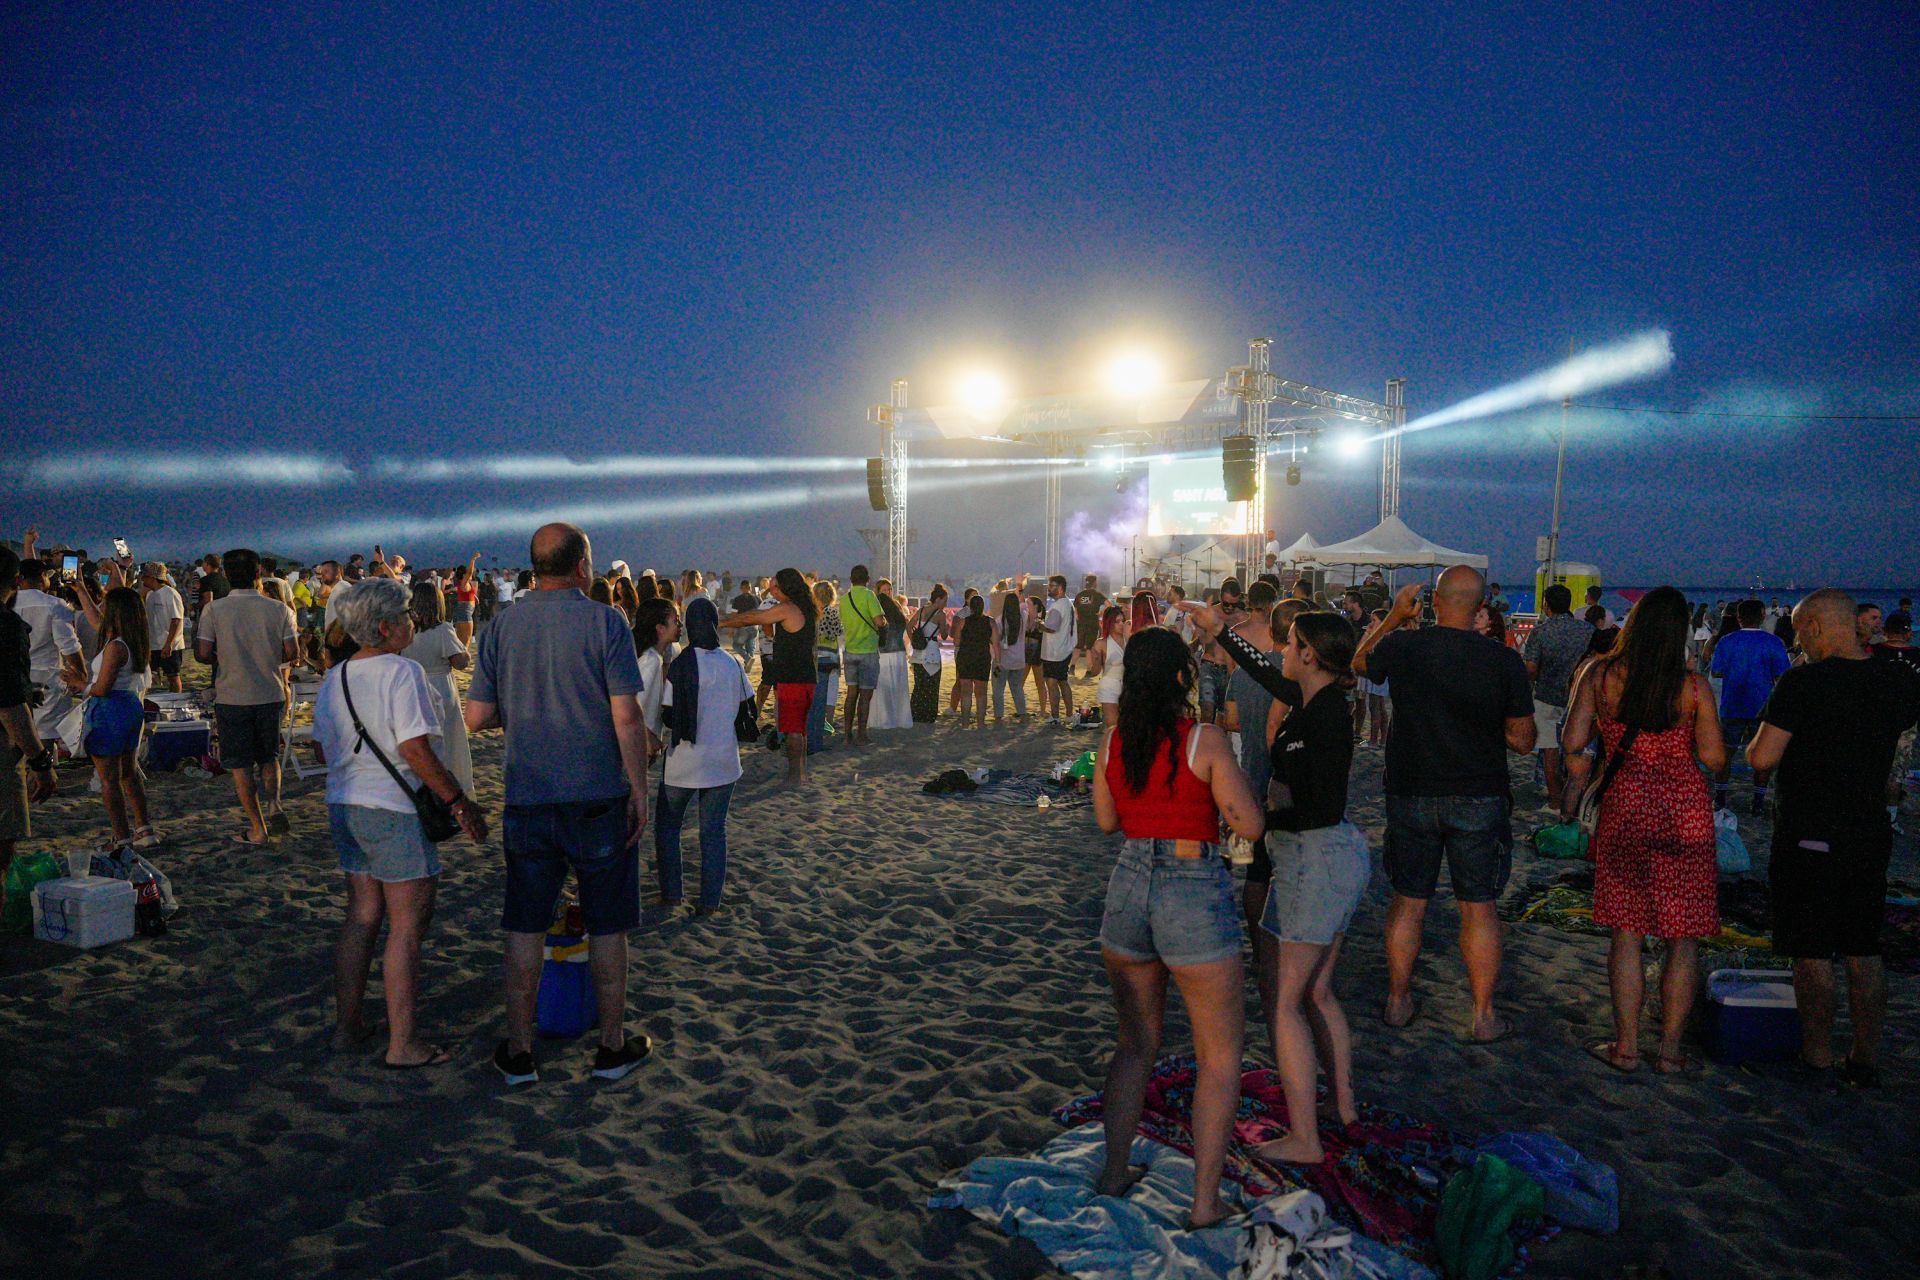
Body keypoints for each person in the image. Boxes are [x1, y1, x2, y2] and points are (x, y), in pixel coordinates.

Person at [466, 523, 652, 1086]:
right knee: (606, 926)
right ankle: (612, 1048)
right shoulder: (605, 621)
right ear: (582, 567)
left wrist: (518, 711)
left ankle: (519, 1051)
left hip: (529, 795)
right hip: (598, 794)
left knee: (524, 927)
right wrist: (639, 788)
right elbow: (626, 716)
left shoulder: (501, 626)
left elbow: (475, 717)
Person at [1090, 627, 1263, 1229]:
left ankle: (1114, 1172)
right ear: (1182, 678)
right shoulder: (1204, 739)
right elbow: (1250, 822)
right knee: (1219, 1057)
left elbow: (1108, 821)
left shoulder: (1114, 742)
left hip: (1130, 882)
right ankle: (1203, 1202)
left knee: (1136, 1042)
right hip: (1191, 884)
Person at [1746, 590, 1920, 1088]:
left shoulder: (1803, 682)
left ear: (1818, 627)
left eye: (1800, 631)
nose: (1798, 639)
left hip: (1810, 830)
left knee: (1813, 949)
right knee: (1864, 947)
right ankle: (1864, 1057)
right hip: (1869, 829)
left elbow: (1762, 759)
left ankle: (1817, 1056)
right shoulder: (1895, 681)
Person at [1353, 569, 1535, 1042]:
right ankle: (1483, 1013)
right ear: (1480, 607)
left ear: (1434, 601)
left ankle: (1398, 1001)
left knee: (1409, 901)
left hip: (1412, 789)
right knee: (1478, 907)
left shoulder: (1405, 646)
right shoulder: (1502, 661)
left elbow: (1358, 663)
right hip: (1479, 792)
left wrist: (1393, 617)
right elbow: (1521, 740)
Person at [316, 577, 487, 1069]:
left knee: (362, 916)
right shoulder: (402, 672)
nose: (414, 621)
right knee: (408, 926)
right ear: (386, 626)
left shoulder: (338, 676)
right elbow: (414, 749)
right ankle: (402, 1043)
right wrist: (458, 802)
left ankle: (348, 1028)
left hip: (344, 804)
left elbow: (325, 746)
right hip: (389, 807)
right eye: (408, 615)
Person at [1560, 587, 1726, 1074]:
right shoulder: (1693, 687)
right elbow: (1715, 758)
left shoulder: (1600, 674)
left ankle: (1627, 1047)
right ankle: (1671, 1053)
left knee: (1627, 934)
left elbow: (1573, 740)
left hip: (1626, 804)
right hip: (1684, 811)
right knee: (1683, 937)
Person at [1244, 611, 1366, 1164]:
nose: (1283, 651)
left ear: (1310, 654)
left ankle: (1305, 1139)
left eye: (1290, 644)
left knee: (1288, 1004)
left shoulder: (1327, 716)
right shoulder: (1313, 699)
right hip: (1316, 860)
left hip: (1316, 860)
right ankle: (1342, 1109)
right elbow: (1268, 676)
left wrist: (1259, 821)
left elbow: (1321, 808)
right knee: (1316, 993)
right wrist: (1219, 632)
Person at [654, 598, 754, 916]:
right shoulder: (732, 663)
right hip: (723, 760)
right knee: (713, 830)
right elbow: (746, 708)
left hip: (684, 761)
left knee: (669, 826)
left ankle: (672, 894)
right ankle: (710, 902)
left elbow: (669, 716)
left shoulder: (682, 665)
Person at [197, 549, 298, 845]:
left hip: (233, 695)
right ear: (259, 574)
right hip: (270, 691)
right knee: (269, 756)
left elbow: (202, 654)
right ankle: (275, 804)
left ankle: (258, 829)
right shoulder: (279, 610)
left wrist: (226, 652)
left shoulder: (214, 610)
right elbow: (293, 654)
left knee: (241, 767)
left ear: (226, 575)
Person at [58, 587, 155, 852]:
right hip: (130, 707)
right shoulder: (134, 641)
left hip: (110, 711)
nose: (101, 609)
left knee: (109, 779)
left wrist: (78, 682)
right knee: (129, 772)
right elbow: (95, 620)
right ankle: (144, 828)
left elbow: (102, 689)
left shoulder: (115, 647)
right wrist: (80, 590)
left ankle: (121, 837)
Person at [717, 567, 817, 787]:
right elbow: (769, 628)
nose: (771, 591)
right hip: (806, 675)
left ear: (786, 587)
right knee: (799, 728)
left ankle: (794, 776)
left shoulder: (789, 608)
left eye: (775, 587)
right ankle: (801, 774)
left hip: (793, 677)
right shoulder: (806, 606)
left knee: (792, 730)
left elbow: (753, 618)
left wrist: (723, 622)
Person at [1708, 599, 1792, 814]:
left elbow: (1716, 671)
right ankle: (1757, 803)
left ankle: (1720, 800)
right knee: (1762, 758)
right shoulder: (1773, 642)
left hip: (1732, 704)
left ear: (1738, 618)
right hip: (1762, 707)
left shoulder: (1727, 641)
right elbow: (1783, 675)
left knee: (1725, 754)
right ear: (1763, 615)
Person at [400, 581, 475, 795]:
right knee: (449, 742)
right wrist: (465, 652)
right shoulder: (442, 630)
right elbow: (459, 662)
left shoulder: (406, 630)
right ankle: (453, 790)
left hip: (413, 687)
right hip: (440, 687)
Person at [1523, 584, 1594, 810]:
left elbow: (1531, 669)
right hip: (1579, 698)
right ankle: (1575, 798)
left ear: (1546, 605)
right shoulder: (1587, 630)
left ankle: (1555, 798)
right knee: (1577, 749)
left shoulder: (1540, 632)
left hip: (1547, 696)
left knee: (1549, 750)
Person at [13, 554, 85, 756]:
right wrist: (81, 673)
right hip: (48, 678)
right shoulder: (54, 604)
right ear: (43, 576)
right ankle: (42, 774)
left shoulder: (8, 603)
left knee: (17, 730)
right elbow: (69, 645)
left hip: (14, 677)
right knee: (44, 734)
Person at [1871, 612, 1918, 832]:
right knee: (1896, 771)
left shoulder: (1872, 653)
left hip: (1873, 720)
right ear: (1908, 633)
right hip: (1906, 723)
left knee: (1871, 766)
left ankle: (1869, 812)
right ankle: (1890, 817)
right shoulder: (1918, 655)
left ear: (1885, 631)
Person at [838, 565, 884, 746]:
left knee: (851, 694)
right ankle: (862, 735)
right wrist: (884, 621)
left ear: (851, 579)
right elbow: (879, 621)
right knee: (865, 696)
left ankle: (847, 735)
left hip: (850, 650)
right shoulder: (869, 595)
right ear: (868, 579)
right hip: (868, 651)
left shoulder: (844, 599)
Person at [633, 597, 680, 762]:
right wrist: (648, 736)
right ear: (660, 628)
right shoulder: (650, 660)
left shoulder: (653, 657)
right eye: (675, 621)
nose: (680, 625)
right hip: (637, 743)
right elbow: (632, 704)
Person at [805, 580, 843, 755]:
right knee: (820, 703)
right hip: (827, 659)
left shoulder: (810, 612)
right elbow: (838, 632)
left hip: (812, 658)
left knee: (812, 702)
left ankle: (811, 740)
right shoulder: (831, 612)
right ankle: (815, 743)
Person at [870, 580, 913, 730]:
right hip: (886, 652)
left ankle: (893, 718)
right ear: (878, 591)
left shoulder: (896, 606)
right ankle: (887, 719)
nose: (888, 592)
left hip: (895, 651)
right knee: (886, 687)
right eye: (884, 590)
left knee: (894, 688)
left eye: (890, 589)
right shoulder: (879, 605)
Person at [138, 562, 186, 694]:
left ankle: (176, 700)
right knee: (148, 676)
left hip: (170, 644)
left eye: (145, 576)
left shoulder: (170, 593)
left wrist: (169, 644)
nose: (142, 579)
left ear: (153, 578)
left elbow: (176, 620)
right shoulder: (149, 594)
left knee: (173, 676)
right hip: (153, 644)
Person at [1037, 575, 1075, 723]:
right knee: (1063, 681)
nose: (1049, 588)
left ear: (1059, 588)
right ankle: (1069, 714)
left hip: (1055, 651)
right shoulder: (1068, 604)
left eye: (1052, 586)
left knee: (1052, 682)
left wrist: (1040, 624)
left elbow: (1051, 628)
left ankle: (1055, 716)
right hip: (1065, 648)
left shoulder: (1058, 606)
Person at [908, 585, 948, 723]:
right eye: (944, 601)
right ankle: (928, 714)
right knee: (932, 684)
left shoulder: (921, 610)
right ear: (938, 599)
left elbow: (909, 625)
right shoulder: (940, 615)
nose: (945, 604)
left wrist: (914, 640)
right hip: (931, 649)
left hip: (919, 651)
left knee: (919, 684)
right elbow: (944, 635)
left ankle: (915, 713)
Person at [952, 594, 993, 728]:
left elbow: (957, 642)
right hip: (982, 658)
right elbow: (996, 642)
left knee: (966, 693)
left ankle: (965, 724)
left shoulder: (963, 621)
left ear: (970, 608)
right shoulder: (990, 622)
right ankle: (981, 723)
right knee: (981, 693)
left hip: (966, 657)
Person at [990, 590, 1029, 723]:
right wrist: (1020, 592)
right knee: (1017, 688)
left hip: (1003, 660)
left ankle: (999, 717)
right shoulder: (1023, 617)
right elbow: (1024, 605)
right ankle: (1022, 714)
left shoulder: (999, 620)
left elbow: (994, 642)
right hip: (1019, 661)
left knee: (998, 690)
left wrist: (996, 660)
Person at [1074, 574, 1108, 678]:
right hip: (1092, 622)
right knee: (1089, 647)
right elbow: (1108, 604)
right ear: (1095, 583)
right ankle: (1088, 670)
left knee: (1078, 645)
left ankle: (1071, 666)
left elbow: (1075, 609)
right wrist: (1101, 613)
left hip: (1081, 623)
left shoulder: (1080, 594)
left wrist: (1078, 618)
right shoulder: (1097, 594)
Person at [449, 556, 481, 649]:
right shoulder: (464, 582)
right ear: (464, 575)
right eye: (466, 572)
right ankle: (462, 660)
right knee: (466, 640)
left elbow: (467, 593)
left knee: (461, 640)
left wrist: (475, 597)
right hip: (465, 612)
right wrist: (473, 560)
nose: (470, 574)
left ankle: (459, 657)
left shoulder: (464, 583)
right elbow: (470, 572)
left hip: (464, 610)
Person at [728, 580, 759, 669]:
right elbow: (762, 612)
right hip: (754, 625)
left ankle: (747, 658)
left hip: (743, 626)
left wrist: (731, 628)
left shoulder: (737, 599)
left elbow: (734, 615)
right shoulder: (756, 598)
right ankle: (748, 665)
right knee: (750, 646)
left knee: (736, 645)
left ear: (741, 588)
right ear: (750, 588)